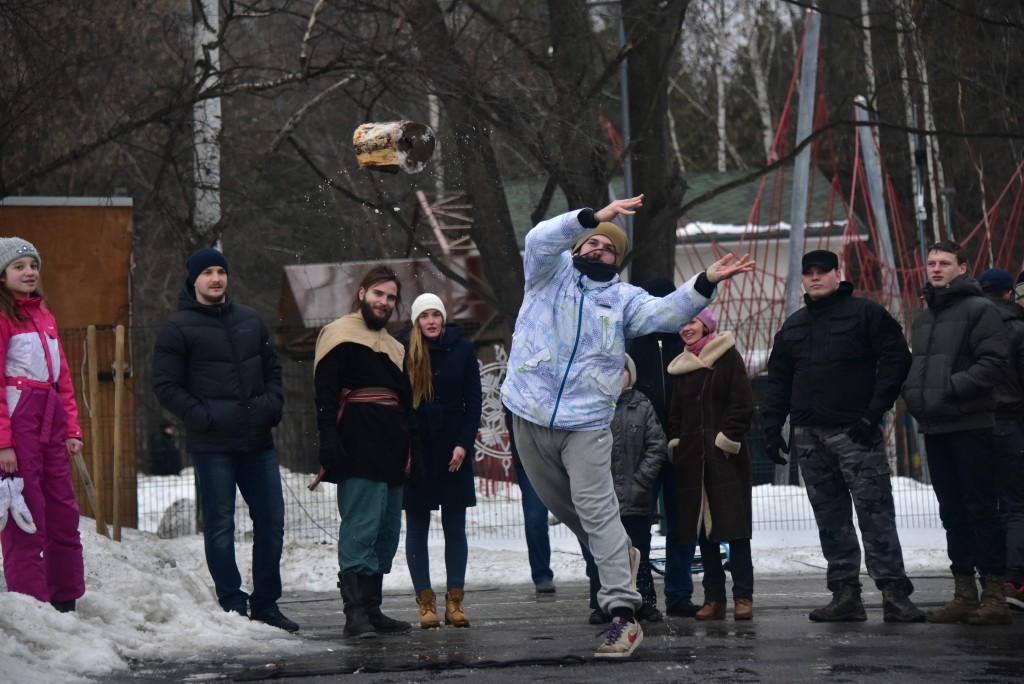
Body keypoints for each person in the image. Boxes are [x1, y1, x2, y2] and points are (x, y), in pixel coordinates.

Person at [501, 194, 753, 658]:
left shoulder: (623, 300)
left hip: (589, 422)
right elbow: (539, 238)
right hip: (528, 410)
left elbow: (666, 313)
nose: (599, 250)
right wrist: (591, 218)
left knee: (597, 512)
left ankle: (623, 613)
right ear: (576, 248)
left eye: (609, 248)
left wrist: (704, 282)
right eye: (591, 244)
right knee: (569, 510)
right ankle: (619, 552)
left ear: (617, 260)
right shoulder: (546, 274)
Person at [762, 249, 923, 623]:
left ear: (839, 274)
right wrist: (773, 426)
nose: (815, 278)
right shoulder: (794, 326)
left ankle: (895, 594)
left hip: (856, 432)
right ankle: (845, 595)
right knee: (830, 518)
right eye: (809, 273)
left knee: (875, 513)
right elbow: (779, 379)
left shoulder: (866, 314)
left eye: (823, 271)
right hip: (809, 435)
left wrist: (874, 412)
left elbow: (897, 359)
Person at [153, 247, 297, 632]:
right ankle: (233, 603)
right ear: (194, 279)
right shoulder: (178, 327)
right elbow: (166, 386)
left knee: (272, 522)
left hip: (258, 443)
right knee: (220, 525)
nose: (215, 278)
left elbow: (272, 369)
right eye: (207, 273)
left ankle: (266, 604)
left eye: (221, 271)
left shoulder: (250, 320)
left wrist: (272, 405)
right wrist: (204, 416)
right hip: (212, 444)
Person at [901, 241, 1011, 626]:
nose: (935, 268)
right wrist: (915, 396)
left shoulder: (979, 309)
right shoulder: (924, 316)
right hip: (935, 425)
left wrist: (949, 388)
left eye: (944, 263)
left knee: (981, 508)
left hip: (971, 423)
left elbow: (994, 363)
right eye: (930, 263)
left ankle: (994, 594)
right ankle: (964, 593)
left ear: (963, 268)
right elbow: (918, 367)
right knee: (952, 513)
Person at [312, 264, 422, 638]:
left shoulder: (395, 347)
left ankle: (373, 610)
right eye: (379, 294)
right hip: (357, 445)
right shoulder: (338, 334)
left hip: (391, 447)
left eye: (391, 297)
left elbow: (406, 405)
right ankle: (354, 614)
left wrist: (412, 449)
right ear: (362, 294)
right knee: (360, 528)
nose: (385, 302)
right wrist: (328, 439)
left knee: (385, 532)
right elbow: (325, 394)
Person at [0, 237, 85, 613]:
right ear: (2, 276)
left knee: (62, 510)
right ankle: (32, 607)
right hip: (20, 424)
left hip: (51, 419)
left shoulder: (45, 316)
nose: (29, 272)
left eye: (33, 265)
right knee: (25, 513)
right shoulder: (2, 318)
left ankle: (65, 596)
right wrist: (4, 443)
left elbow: (62, 378)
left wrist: (71, 429)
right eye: (19, 267)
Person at [666, 307, 755, 621]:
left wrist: (725, 439)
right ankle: (714, 598)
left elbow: (743, 403)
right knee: (704, 534)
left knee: (736, 530)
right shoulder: (681, 368)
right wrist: (677, 443)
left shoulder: (728, 357)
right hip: (692, 461)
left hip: (725, 459)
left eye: (690, 322)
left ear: (705, 325)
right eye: (682, 324)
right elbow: (675, 414)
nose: (685, 329)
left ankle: (744, 596)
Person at [401, 293, 482, 629]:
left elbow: (473, 401)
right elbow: (401, 404)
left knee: (455, 528)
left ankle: (455, 602)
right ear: (416, 321)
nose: (431, 321)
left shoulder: (463, 349)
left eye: (436, 315)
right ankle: (425, 603)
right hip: (418, 447)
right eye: (425, 316)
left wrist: (464, 444)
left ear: (443, 318)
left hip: (453, 448)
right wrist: (406, 448)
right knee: (417, 528)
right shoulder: (404, 351)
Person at [628, 277, 699, 618]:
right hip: (641, 446)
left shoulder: (686, 340)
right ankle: (643, 596)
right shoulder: (631, 341)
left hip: (681, 442)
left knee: (683, 520)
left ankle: (679, 594)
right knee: (637, 522)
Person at [583, 354, 666, 624]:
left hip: (636, 496)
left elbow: (656, 445)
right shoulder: (592, 408)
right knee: (602, 552)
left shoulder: (642, 406)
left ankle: (645, 601)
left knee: (639, 550)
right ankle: (601, 603)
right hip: (603, 498)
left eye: (622, 371)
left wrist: (642, 479)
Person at [975, 268, 1024, 612]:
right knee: (1015, 506)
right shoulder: (1018, 328)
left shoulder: (968, 326)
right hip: (1011, 422)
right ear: (1010, 294)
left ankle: (987, 580)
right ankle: (1014, 579)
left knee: (982, 506)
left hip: (972, 426)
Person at [506, 405, 557, 594]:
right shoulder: (517, 379)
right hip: (529, 454)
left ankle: (596, 573)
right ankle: (541, 574)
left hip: (564, 447)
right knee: (535, 517)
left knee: (582, 512)